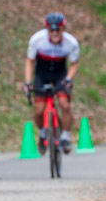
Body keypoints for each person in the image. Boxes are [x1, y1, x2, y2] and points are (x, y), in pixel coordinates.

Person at [23, 12, 80, 155]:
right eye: (51, 30)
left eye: (58, 30)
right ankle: (42, 134)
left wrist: (68, 79)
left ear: (63, 29)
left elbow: (74, 64)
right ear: (46, 29)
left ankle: (65, 137)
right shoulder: (37, 40)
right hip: (42, 73)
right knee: (38, 110)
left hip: (60, 73)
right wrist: (28, 81)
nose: (55, 33)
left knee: (65, 104)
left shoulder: (71, 43)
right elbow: (30, 61)